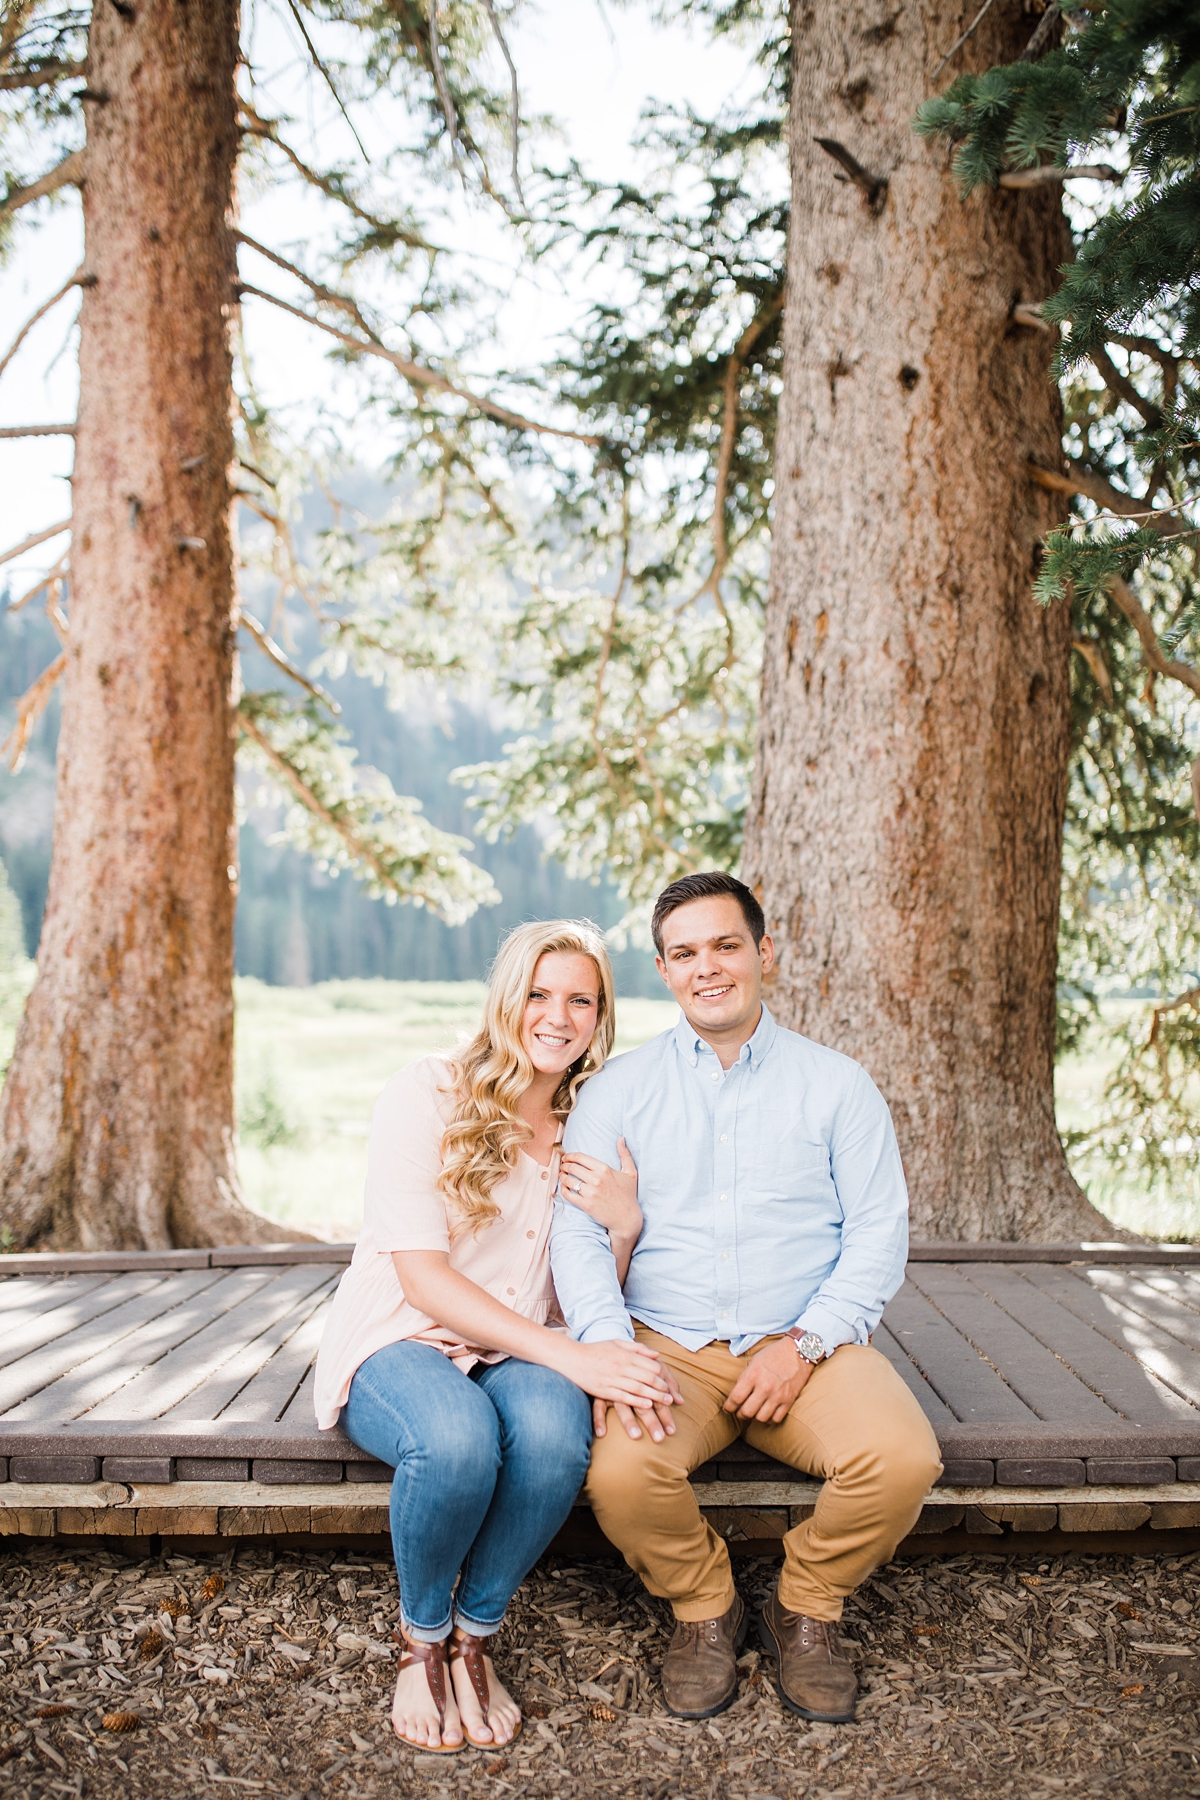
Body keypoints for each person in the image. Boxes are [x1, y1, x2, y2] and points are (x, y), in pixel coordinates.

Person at [551, 872, 942, 1725]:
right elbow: (578, 1237)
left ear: (763, 952)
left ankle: (806, 1606)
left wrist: (805, 1344)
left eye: (726, 945)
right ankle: (705, 1607)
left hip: (806, 1340)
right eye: (685, 953)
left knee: (903, 1460)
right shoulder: (616, 1091)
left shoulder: (838, 1086)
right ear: (664, 968)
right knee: (620, 1475)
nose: (709, 967)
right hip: (668, 1343)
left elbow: (878, 1233)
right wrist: (610, 1348)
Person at [314, 920, 678, 1755]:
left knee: (553, 1438)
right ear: (506, 999)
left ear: (601, 1015)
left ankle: (476, 1637)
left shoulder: (592, 1125)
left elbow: (587, 1283)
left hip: (522, 1343)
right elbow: (422, 1278)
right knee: (456, 1441)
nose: (558, 1016)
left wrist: (624, 1227)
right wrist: (573, 1357)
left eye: (581, 1000)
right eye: (540, 995)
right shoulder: (428, 1092)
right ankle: (422, 1644)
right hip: (401, 1336)